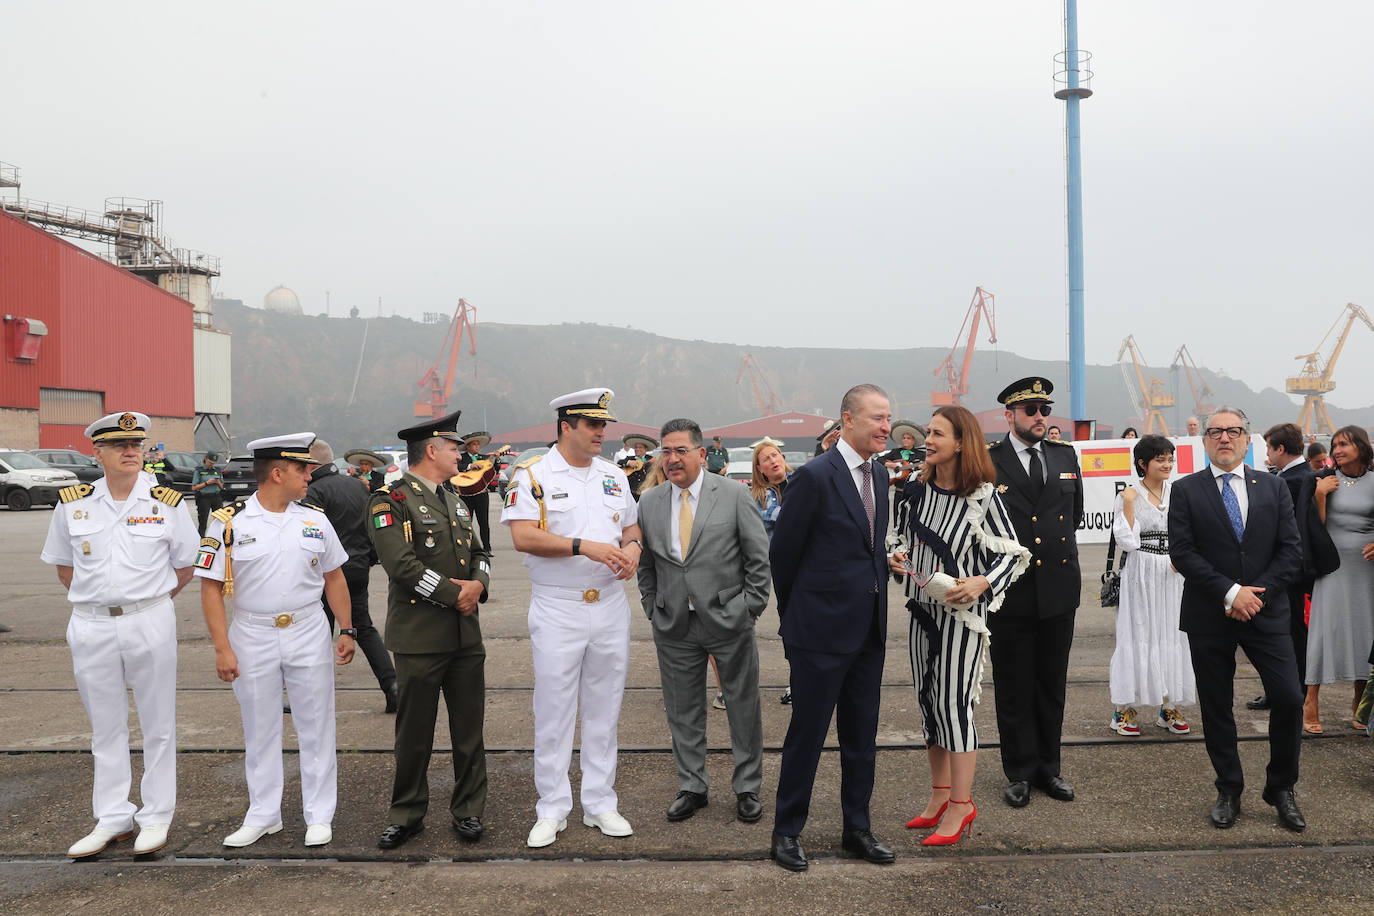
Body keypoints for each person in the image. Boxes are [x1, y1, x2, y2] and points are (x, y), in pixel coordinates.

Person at [41, 412, 198, 859]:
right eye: (119, 446)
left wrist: (146, 601)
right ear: (100, 452)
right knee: (105, 727)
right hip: (90, 623)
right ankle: (112, 818)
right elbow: (64, 565)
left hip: (149, 618)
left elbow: (185, 566)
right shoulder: (74, 503)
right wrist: (99, 601)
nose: (131, 452)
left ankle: (156, 816)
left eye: (137, 445)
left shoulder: (166, 502)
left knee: (158, 724)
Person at [196, 433, 356, 849]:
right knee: (260, 727)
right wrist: (221, 647)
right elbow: (211, 587)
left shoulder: (314, 519)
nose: (309, 476)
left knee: (316, 724)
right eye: (302, 470)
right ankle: (263, 814)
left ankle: (319, 815)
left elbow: (334, 575)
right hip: (252, 633)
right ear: (278, 473)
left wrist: (347, 628)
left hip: (307, 629)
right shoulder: (228, 521)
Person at [501, 388, 643, 849]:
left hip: (608, 604)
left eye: (604, 425)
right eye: (593, 425)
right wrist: (585, 546)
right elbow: (523, 536)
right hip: (558, 606)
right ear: (566, 427)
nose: (602, 432)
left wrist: (633, 550)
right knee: (555, 710)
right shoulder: (533, 475)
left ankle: (600, 803)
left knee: (605, 708)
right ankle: (552, 808)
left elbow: (630, 527)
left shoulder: (614, 476)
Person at [888, 406, 1029, 847]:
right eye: (928, 432)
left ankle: (962, 805)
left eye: (937, 434)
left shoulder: (983, 497)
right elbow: (896, 537)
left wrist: (982, 582)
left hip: (964, 621)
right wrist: (895, 557)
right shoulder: (912, 489)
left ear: (961, 443)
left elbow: (1014, 554)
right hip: (921, 613)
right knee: (929, 705)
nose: (926, 440)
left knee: (954, 708)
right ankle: (939, 796)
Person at [769, 384, 894, 872]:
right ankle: (786, 831)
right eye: (878, 418)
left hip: (868, 631)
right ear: (848, 420)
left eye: (889, 418)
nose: (887, 427)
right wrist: (796, 621)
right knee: (807, 735)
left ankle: (856, 829)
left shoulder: (880, 475)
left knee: (861, 738)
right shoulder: (815, 477)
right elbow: (784, 556)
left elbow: (870, 548)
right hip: (818, 635)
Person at [1168, 407, 1305, 832]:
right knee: (1216, 706)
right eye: (1216, 432)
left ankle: (1281, 787)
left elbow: (1291, 550)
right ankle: (1229, 787)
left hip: (1265, 611)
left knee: (1289, 698)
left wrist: (1254, 595)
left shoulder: (1273, 488)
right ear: (1205, 441)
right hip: (1210, 613)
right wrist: (1230, 592)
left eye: (1234, 431)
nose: (1224, 438)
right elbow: (1183, 552)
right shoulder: (1186, 489)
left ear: (1249, 440)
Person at [636, 418, 771, 825]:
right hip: (674, 623)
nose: (672, 459)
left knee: (742, 706)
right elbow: (646, 565)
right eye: (666, 451)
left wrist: (750, 607)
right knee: (683, 709)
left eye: (680, 450)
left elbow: (757, 557)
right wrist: (652, 606)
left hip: (728, 619)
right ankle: (692, 786)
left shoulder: (732, 494)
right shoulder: (650, 501)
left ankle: (747, 786)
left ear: (701, 453)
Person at [371, 411, 493, 850]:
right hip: (420, 637)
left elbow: (481, 552)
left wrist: (478, 586)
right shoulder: (391, 500)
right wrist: (453, 595)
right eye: (455, 447)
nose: (461, 454)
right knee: (414, 734)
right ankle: (406, 813)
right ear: (431, 450)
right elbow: (400, 565)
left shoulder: (456, 499)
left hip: (465, 637)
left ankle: (468, 810)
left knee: (469, 732)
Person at [986, 377, 1083, 809]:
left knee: (1051, 685)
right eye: (1030, 410)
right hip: (1011, 592)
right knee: (1014, 685)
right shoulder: (991, 462)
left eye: (1045, 409)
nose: (1040, 416)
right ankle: (1019, 771)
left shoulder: (1065, 456)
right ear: (1009, 415)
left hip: (1058, 590)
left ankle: (1049, 768)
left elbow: (1072, 516)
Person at [1107, 435, 1196, 737]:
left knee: (1172, 633)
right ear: (1143, 463)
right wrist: (1129, 505)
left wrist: (1181, 558)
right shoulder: (1129, 495)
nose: (1167, 464)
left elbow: (1190, 531)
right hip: (1140, 572)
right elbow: (1128, 541)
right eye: (1160, 459)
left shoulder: (1179, 492)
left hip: (1173, 572)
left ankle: (1168, 705)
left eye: (1170, 458)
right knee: (1138, 634)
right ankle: (1123, 710)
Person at [306, 439, 399, 714]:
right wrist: (369, 559)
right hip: (358, 567)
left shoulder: (313, 491)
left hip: (327, 572)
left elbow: (311, 536)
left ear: (312, 464)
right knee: (364, 627)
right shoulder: (358, 485)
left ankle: (311, 696)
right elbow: (372, 527)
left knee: (319, 631)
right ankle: (392, 686)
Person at [1303, 425, 1374, 733]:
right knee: (1323, 630)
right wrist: (1319, 496)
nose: (1337, 450)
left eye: (1344, 444)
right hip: (1331, 565)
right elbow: (1312, 528)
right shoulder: (1321, 481)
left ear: (1361, 447)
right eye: (1334, 445)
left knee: (1366, 630)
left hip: (1367, 567)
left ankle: (1360, 702)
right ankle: (1311, 701)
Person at [1248, 423, 1315, 712]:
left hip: (1289, 572)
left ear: (1280, 449)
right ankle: (1286, 689)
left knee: (1289, 634)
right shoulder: (1304, 476)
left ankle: (1288, 690)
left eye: (1268, 448)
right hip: (1293, 570)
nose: (1266, 454)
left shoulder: (1291, 481)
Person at [750, 441, 795, 705]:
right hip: (782, 569)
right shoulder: (758, 494)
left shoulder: (801, 480)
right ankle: (795, 682)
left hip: (810, 566)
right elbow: (767, 518)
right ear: (760, 468)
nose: (772, 461)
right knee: (790, 627)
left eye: (775, 454)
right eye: (765, 459)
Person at [456, 431, 495, 557]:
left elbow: (493, 470)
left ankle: (487, 548)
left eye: (478, 445)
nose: (477, 447)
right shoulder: (461, 458)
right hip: (466, 495)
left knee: (484, 522)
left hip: (482, 495)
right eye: (474, 444)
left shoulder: (484, 458)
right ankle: (467, 547)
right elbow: (458, 467)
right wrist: (470, 466)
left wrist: (497, 461)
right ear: (468, 446)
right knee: (466, 522)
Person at [191, 451, 225, 536]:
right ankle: (201, 541)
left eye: (213, 463)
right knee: (203, 522)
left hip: (216, 497)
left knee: (219, 520)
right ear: (205, 459)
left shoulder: (217, 470)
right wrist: (207, 483)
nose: (211, 464)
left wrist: (217, 482)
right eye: (210, 462)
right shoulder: (199, 471)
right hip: (204, 498)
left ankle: (218, 539)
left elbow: (222, 487)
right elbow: (194, 487)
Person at [618, 434, 657, 501]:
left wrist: (648, 463)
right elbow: (619, 462)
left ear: (645, 449)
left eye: (640, 447)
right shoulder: (629, 458)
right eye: (636, 447)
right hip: (630, 493)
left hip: (645, 494)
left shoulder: (652, 460)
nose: (637, 449)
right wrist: (628, 463)